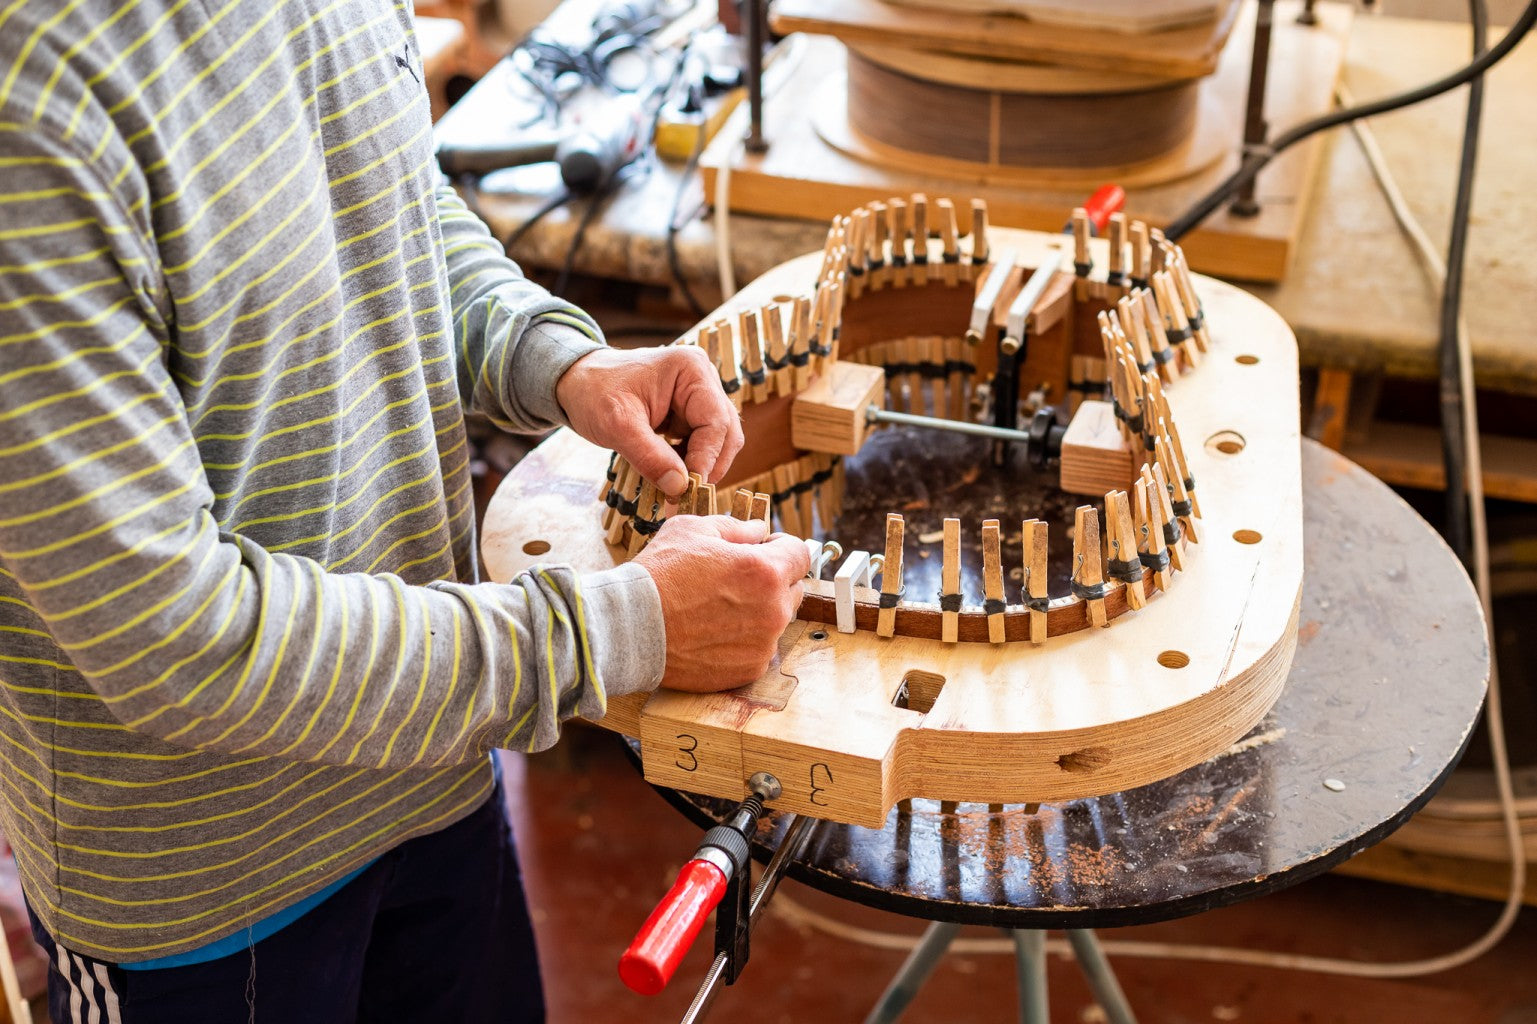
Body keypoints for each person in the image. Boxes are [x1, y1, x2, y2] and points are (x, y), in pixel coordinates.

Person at [0, 1, 808, 1020]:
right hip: (212, 892)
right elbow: (176, 641)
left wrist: (559, 360)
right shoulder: (31, 96)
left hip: (425, 767)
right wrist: (622, 627)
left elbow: (394, 206)